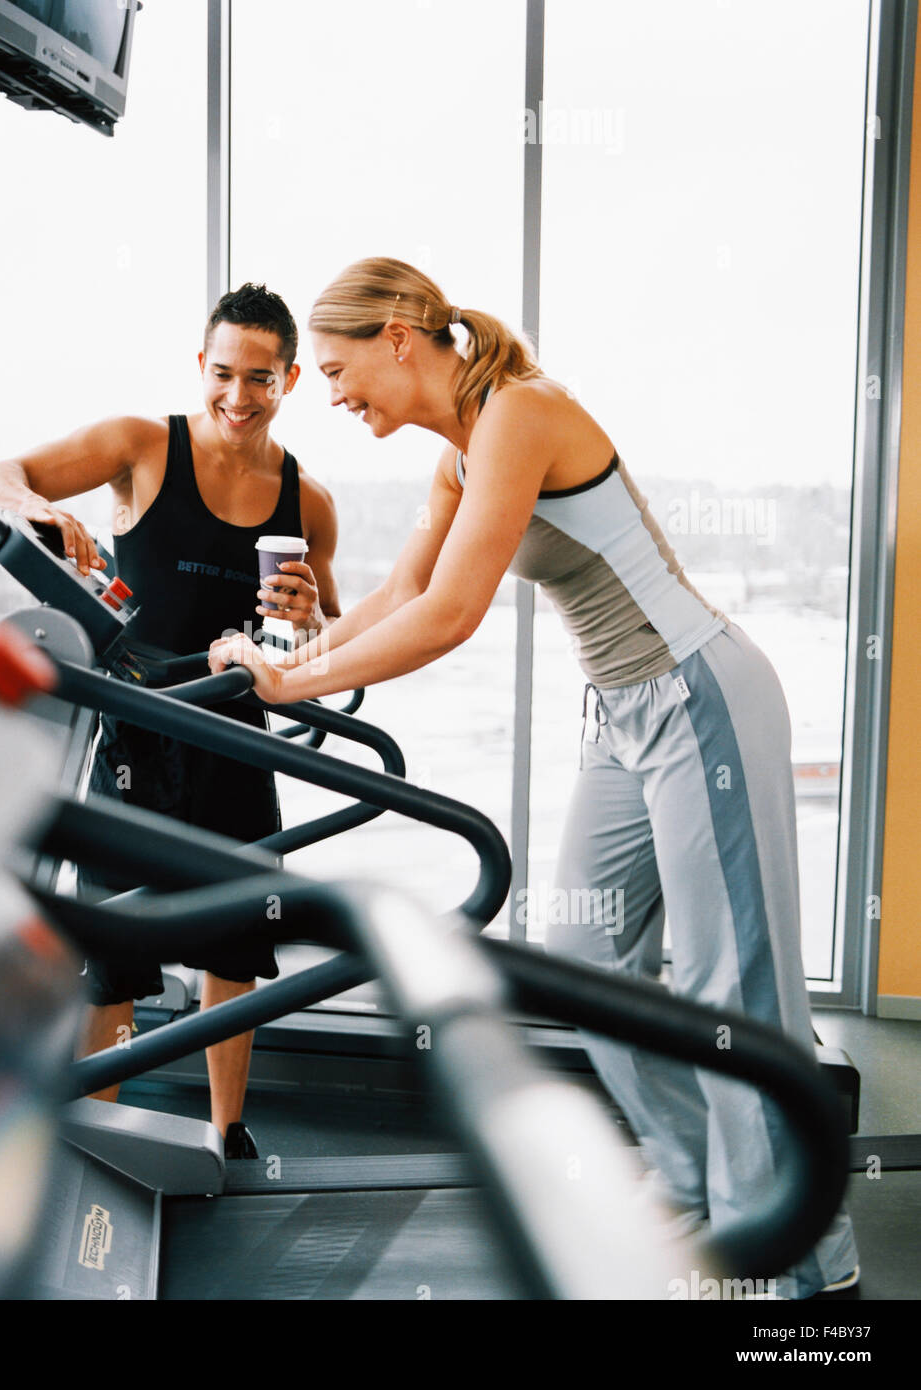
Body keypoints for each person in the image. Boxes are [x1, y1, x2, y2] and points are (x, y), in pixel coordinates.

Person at [208, 256, 859, 1297]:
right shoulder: (455, 455)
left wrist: (293, 685)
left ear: (398, 338)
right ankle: (698, 1191)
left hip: (699, 697)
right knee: (582, 954)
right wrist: (289, 654)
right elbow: (398, 593)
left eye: (335, 368)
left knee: (732, 988)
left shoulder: (516, 411)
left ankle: (801, 1271)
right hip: (619, 717)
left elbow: (452, 616)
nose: (330, 394)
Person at [0, 283, 341, 1159]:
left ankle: (227, 1131)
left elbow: (325, 635)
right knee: (112, 956)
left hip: (236, 741)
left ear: (289, 378)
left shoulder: (309, 501)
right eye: (224, 373)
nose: (239, 397)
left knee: (237, 951)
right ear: (199, 366)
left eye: (261, 378)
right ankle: (92, 1139)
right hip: (136, 735)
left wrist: (312, 614)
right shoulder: (141, 446)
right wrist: (36, 509)